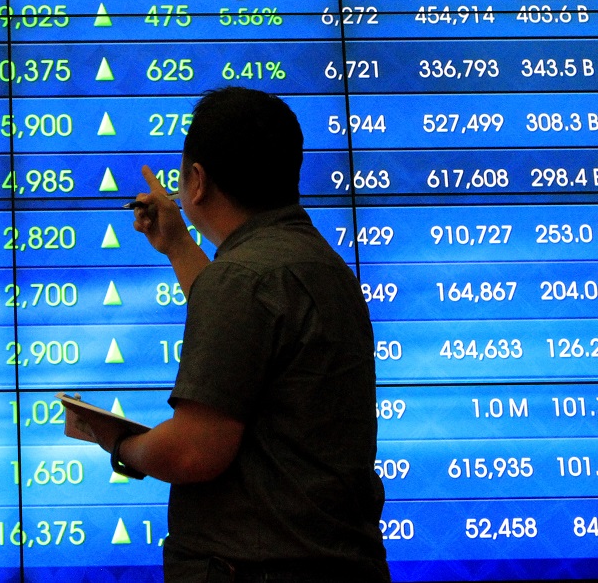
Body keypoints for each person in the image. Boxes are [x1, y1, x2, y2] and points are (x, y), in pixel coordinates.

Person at [71, 87, 389, 582]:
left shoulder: (241, 280)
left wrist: (119, 442)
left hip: (255, 570)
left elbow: (195, 451)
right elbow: (246, 330)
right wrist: (178, 243)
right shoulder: (323, 267)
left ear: (197, 181)